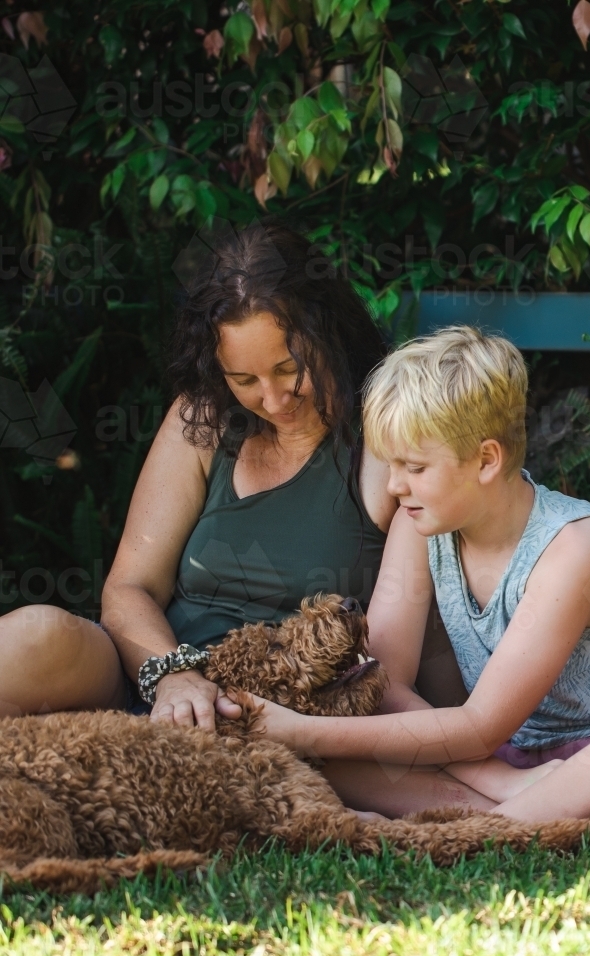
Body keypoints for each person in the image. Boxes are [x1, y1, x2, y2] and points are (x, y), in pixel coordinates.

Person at [217, 326, 590, 826]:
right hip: (502, 762)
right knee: (341, 755)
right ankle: (517, 815)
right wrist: (501, 777)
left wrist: (303, 731)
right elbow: (382, 678)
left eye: (413, 467)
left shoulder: (573, 546)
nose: (393, 486)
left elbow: (480, 726)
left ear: (486, 460)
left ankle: (473, 831)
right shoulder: (424, 520)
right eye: (391, 465)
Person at [0, 221, 397, 723]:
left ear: (327, 331)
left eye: (288, 368)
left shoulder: (383, 436)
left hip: (277, 709)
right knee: (37, 632)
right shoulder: (204, 419)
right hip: (155, 677)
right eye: (244, 379)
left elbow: (402, 644)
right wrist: (172, 675)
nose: (273, 400)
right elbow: (129, 589)